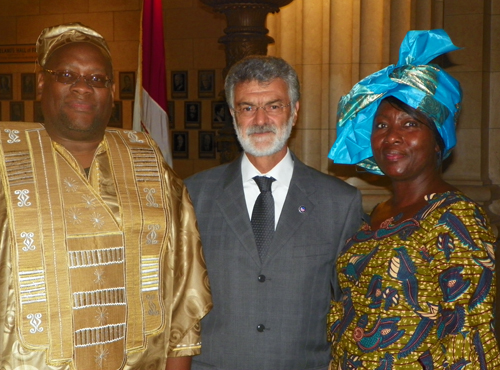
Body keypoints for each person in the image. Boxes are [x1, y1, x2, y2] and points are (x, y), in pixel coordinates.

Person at [0, 22, 212, 370]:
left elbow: (182, 294)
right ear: (41, 82)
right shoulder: (6, 158)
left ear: (112, 91)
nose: (83, 87)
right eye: (67, 74)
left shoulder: (149, 162)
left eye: (97, 79)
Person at [327, 29, 500, 369]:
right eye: (381, 126)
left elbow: (471, 337)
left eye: (409, 124)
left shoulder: (457, 219)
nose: (391, 137)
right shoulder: (378, 213)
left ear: (438, 140)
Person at [185, 56, 363, 370]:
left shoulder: (339, 202)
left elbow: (350, 307)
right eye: (247, 108)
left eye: (274, 106)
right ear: (232, 114)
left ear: (295, 111)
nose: (260, 120)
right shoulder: (193, 194)